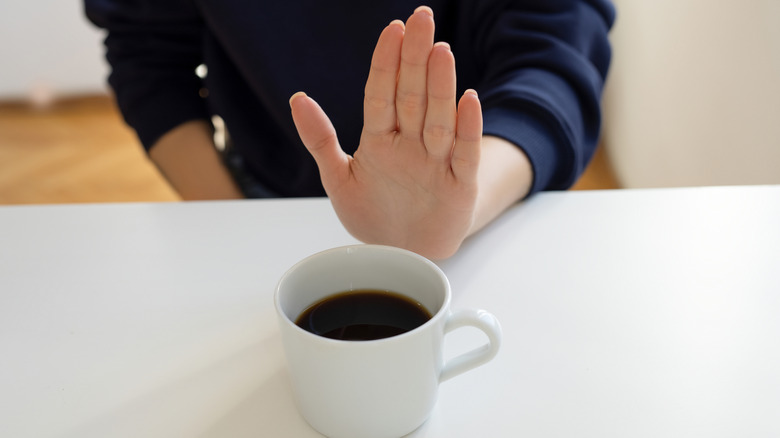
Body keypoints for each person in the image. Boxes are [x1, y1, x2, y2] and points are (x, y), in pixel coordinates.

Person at [85, 1, 615, 259]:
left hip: (484, 213)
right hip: (263, 200)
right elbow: (147, 57)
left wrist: (459, 206)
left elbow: (556, 52)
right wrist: (233, 227)